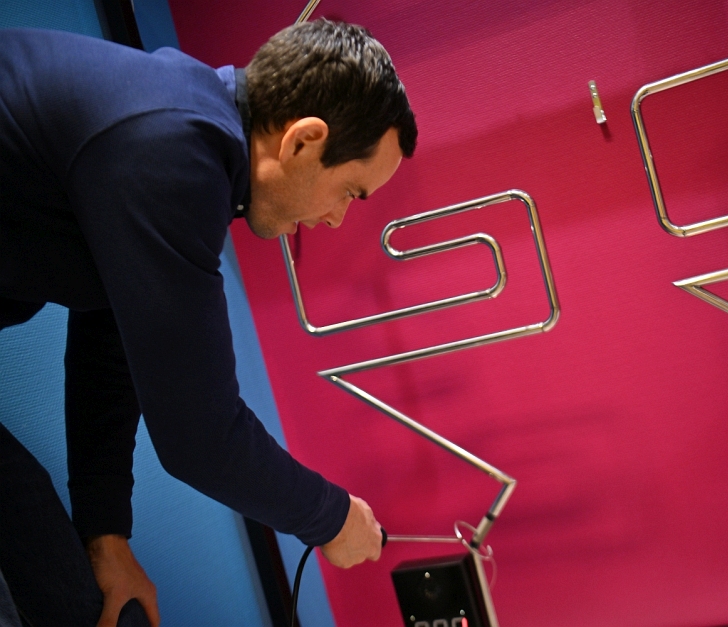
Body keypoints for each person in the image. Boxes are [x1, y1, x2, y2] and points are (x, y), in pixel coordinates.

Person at [0, 19, 417, 627]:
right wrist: (332, 518)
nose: (335, 219)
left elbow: (111, 339)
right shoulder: (170, 147)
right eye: (350, 191)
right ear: (303, 141)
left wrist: (104, 533)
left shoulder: (187, 135)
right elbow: (201, 436)